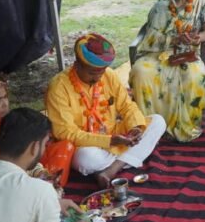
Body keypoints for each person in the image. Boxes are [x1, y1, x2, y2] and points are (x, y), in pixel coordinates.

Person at [46, 33, 167, 188]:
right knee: (86, 159)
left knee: (157, 121)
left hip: (113, 133)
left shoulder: (109, 75)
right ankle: (128, 158)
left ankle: (111, 169)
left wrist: (135, 127)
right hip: (84, 145)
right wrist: (109, 141)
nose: (97, 78)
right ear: (77, 65)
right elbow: (64, 132)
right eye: (92, 73)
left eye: (101, 72)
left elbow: (127, 106)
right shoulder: (58, 87)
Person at [129, 0, 205, 142]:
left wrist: (197, 38)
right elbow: (150, 36)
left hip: (187, 53)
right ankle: (151, 127)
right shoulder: (159, 7)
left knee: (195, 76)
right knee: (141, 72)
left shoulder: (200, 4)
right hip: (157, 52)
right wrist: (172, 40)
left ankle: (185, 125)